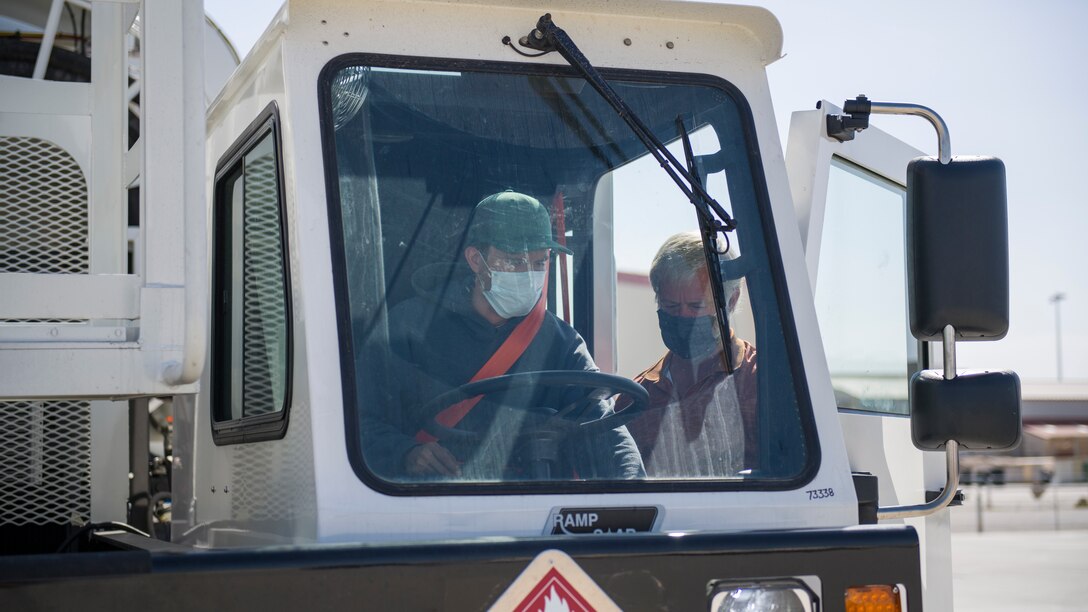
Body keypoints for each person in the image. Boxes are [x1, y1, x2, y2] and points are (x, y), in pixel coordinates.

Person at [367, 190, 644, 481]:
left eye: (539, 263)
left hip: (534, 508)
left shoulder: (562, 343)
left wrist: (635, 487)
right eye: (514, 261)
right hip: (430, 505)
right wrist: (405, 453)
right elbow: (357, 420)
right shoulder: (408, 326)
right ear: (476, 260)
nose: (528, 275)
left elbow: (602, 427)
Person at [623, 232, 758, 478]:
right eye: (671, 306)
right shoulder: (635, 398)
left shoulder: (761, 381)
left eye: (696, 307)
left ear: (731, 300)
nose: (683, 316)